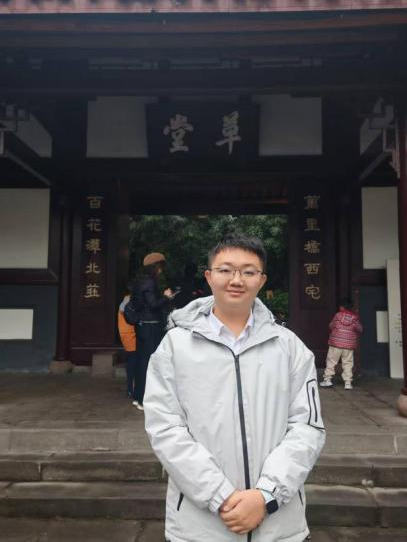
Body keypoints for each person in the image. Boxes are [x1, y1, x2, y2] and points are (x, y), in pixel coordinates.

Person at [144, 232, 325, 542]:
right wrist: (220, 496)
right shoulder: (174, 346)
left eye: (248, 272)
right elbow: (165, 428)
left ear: (262, 280)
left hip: (278, 526)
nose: (236, 280)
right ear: (209, 276)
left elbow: (307, 427)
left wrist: (265, 496)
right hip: (200, 527)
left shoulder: (290, 347)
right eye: (225, 270)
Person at [131, 252, 174, 411]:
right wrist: (166, 297)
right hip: (150, 326)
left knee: (141, 360)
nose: (161, 270)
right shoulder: (150, 282)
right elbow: (153, 305)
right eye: (160, 266)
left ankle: (137, 396)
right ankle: (143, 399)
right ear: (155, 267)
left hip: (142, 324)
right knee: (149, 362)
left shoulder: (139, 281)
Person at [320, 301, 363, 390]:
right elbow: (360, 329)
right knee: (348, 363)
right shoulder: (355, 318)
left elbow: (331, 326)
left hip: (336, 343)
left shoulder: (338, 315)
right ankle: (348, 383)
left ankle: (327, 380)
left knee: (331, 361)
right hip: (349, 344)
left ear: (342, 307)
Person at [117, 286, 138, 399]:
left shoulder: (128, 300)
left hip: (129, 334)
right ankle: (131, 388)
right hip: (130, 335)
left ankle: (131, 388)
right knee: (133, 362)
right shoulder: (128, 301)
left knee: (132, 361)